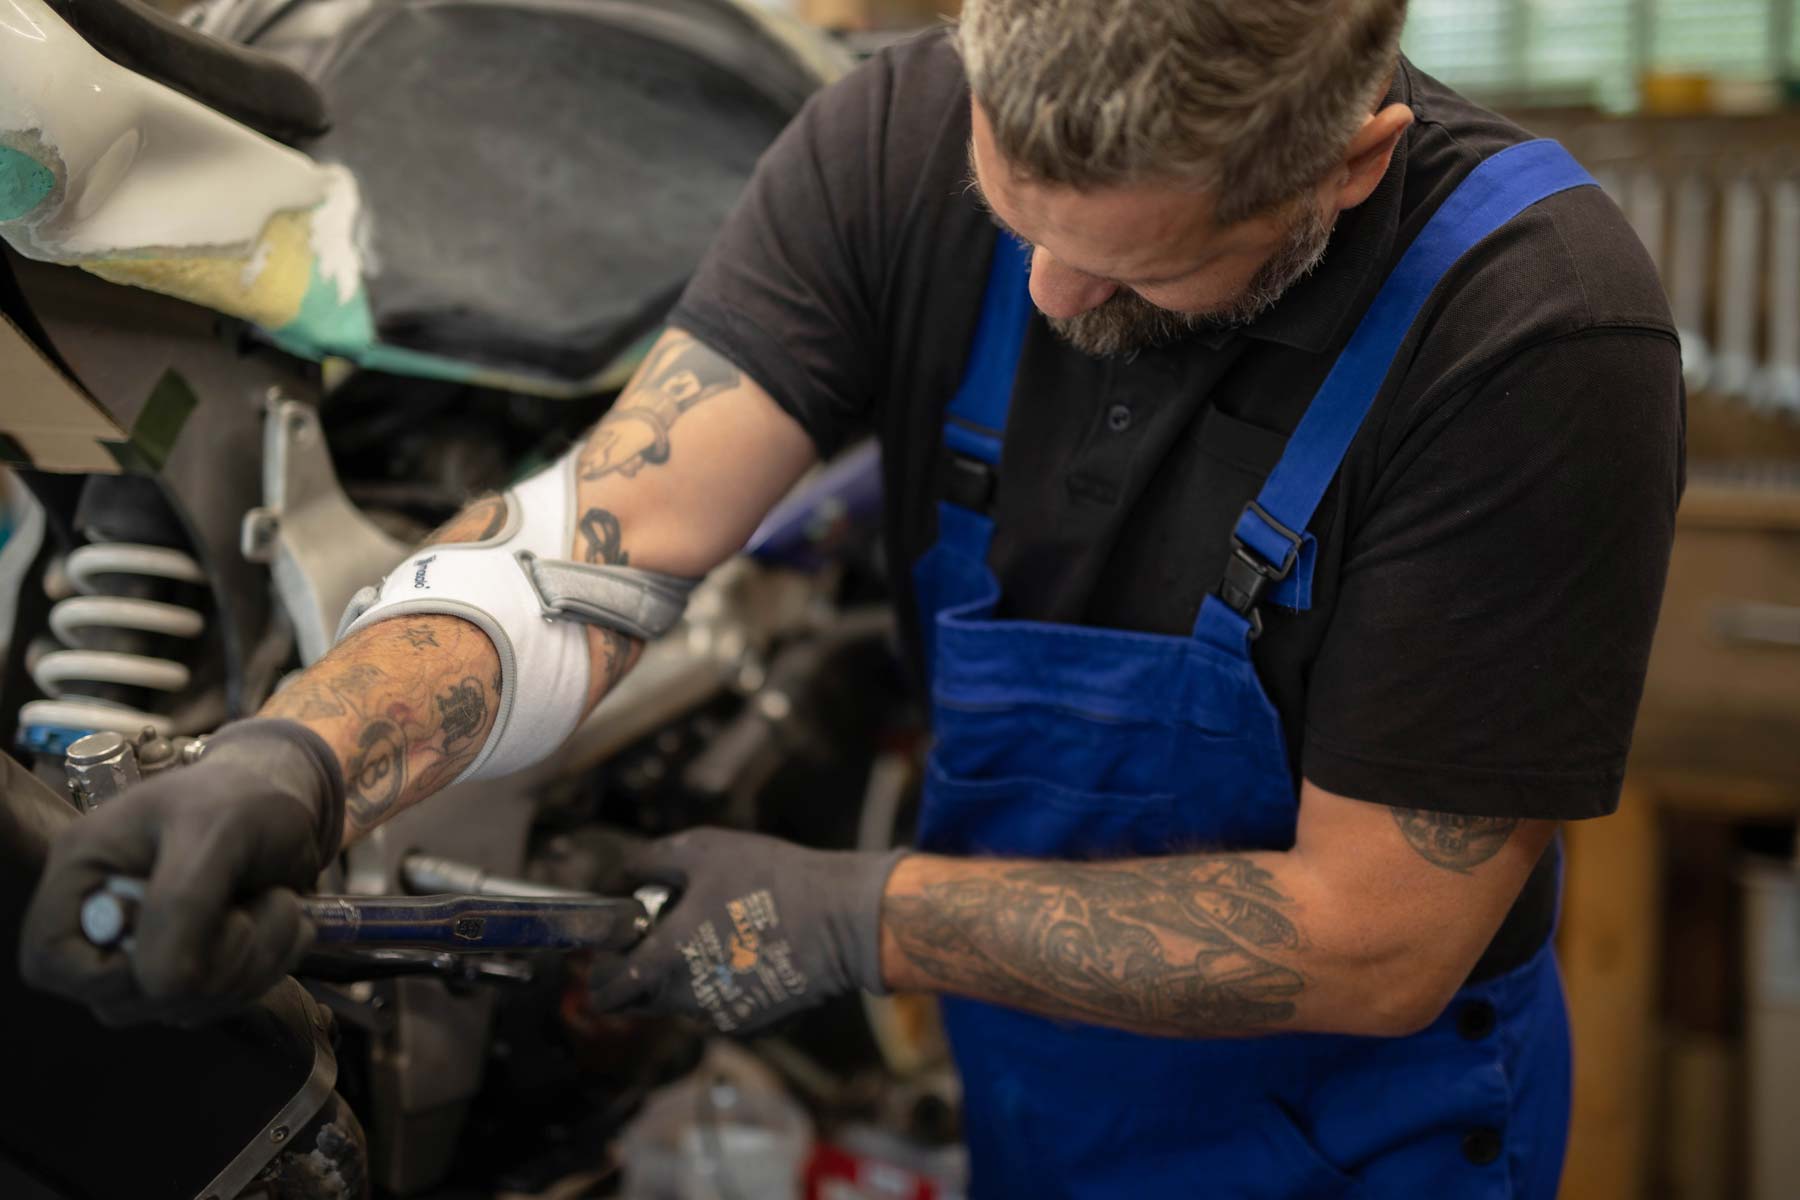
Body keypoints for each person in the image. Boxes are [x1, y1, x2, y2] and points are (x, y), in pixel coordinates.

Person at [22, 0, 1684, 1194]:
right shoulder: (890, 136)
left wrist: (857, 918)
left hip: (1358, 1143)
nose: (1045, 289)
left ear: (1346, 162)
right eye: (1011, 206)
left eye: (1138, 264)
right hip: (1031, 1106)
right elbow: (610, 530)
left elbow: (1378, 937)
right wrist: (301, 756)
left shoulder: (1529, 334)